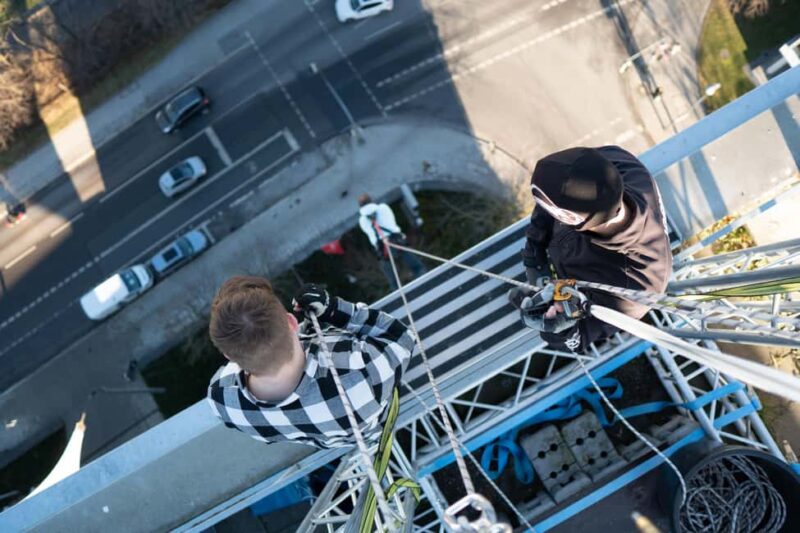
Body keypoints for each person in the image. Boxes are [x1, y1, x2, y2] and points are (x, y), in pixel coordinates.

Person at [206, 276, 414, 448]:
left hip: (332, 437)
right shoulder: (357, 368)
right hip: (375, 417)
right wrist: (333, 309)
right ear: (291, 321)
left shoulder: (222, 399)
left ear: (228, 355)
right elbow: (402, 340)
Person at [512, 145, 672, 352]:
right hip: (561, 252)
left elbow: (579, 339)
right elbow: (554, 198)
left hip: (578, 293)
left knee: (539, 305)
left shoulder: (636, 289)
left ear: (570, 217)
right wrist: (535, 252)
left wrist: (559, 329)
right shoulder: (621, 163)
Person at [357, 193, 427, 290]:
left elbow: (368, 232)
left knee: (393, 281)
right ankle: (426, 283)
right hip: (396, 241)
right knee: (417, 267)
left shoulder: (362, 220)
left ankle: (399, 294)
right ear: (371, 201)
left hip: (382, 248)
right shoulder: (383, 208)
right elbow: (391, 220)